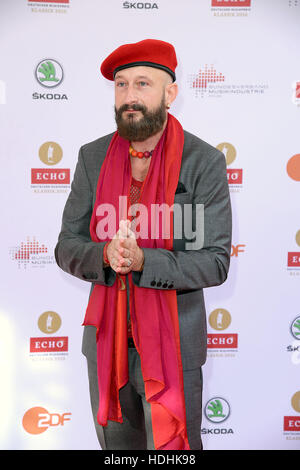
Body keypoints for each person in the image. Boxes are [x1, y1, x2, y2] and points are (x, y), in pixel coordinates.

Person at [55, 39, 232, 451]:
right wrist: (103, 254)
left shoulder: (203, 162)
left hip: (176, 347)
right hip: (107, 346)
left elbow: (215, 262)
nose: (129, 97)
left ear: (170, 93)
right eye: (121, 85)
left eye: (142, 84)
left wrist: (142, 260)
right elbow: (67, 245)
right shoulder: (92, 157)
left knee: (175, 452)